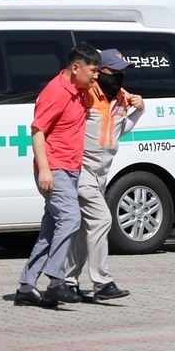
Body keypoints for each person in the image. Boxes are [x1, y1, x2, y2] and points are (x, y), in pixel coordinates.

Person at [14, 43, 100, 308]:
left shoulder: (79, 90)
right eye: (93, 71)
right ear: (76, 68)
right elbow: (38, 131)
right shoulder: (55, 93)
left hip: (71, 170)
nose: (96, 76)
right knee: (72, 218)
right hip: (55, 170)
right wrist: (46, 170)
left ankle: (27, 288)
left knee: (50, 232)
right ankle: (56, 281)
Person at [65, 48, 144, 303]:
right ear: (99, 72)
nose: (119, 77)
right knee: (101, 220)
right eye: (114, 72)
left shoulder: (122, 98)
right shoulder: (86, 94)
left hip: (102, 173)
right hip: (81, 169)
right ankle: (102, 281)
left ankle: (68, 282)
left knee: (81, 229)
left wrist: (139, 111)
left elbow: (118, 133)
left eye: (122, 72)